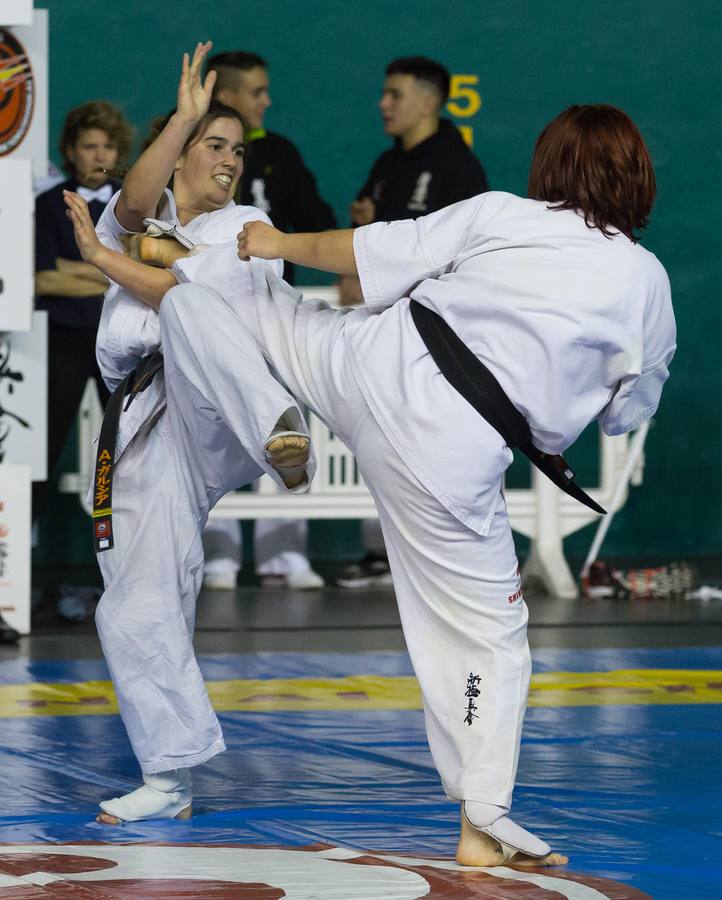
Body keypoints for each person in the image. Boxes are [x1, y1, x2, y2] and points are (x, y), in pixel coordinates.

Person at [223, 103, 670, 866]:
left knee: (255, 307)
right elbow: (628, 414)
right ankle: (482, 820)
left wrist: (271, 242)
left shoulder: (503, 213)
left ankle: (167, 287)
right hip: (446, 453)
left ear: (551, 166)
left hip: (370, 365)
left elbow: (362, 249)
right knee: (488, 638)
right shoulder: (644, 281)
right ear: (636, 178)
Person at [63, 42, 314, 825]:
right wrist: (182, 118)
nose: (231, 162)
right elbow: (139, 210)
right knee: (136, 602)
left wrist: (104, 258)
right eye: (216, 145)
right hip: (142, 422)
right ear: (177, 154)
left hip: (219, 405)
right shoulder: (145, 207)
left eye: (239, 151)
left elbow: (169, 281)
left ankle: (281, 427)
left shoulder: (249, 226)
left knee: (189, 303)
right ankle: (169, 778)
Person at [337, 56, 490, 588]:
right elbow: (365, 239)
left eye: (395, 94)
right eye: (384, 93)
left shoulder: (456, 166)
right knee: (375, 432)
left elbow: (456, 259)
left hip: (430, 339)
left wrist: (378, 276)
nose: (384, 103)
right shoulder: (386, 164)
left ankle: (429, 556)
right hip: (379, 331)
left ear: (429, 101)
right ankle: (381, 554)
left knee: (420, 439)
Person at [201, 49, 335, 591]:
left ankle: (284, 555)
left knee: (285, 427)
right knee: (217, 429)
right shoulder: (187, 154)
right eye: (257, 91)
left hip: (274, 315)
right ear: (227, 96)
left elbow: (317, 222)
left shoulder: (279, 152)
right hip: (211, 316)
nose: (267, 101)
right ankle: (218, 555)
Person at [34, 101, 133, 618]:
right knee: (38, 454)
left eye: (108, 146)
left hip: (115, 340)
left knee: (130, 454)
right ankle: (17, 575)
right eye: (89, 145)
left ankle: (133, 577)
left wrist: (86, 269)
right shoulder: (48, 204)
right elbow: (40, 277)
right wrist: (106, 269)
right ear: (70, 151)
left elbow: (133, 270)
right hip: (61, 340)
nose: (98, 154)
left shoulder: (130, 207)